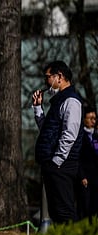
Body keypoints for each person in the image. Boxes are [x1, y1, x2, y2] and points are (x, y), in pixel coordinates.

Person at [32, 60, 83, 224]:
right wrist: (38, 108)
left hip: (62, 164)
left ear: (59, 76)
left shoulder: (71, 101)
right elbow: (48, 132)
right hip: (54, 163)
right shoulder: (58, 101)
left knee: (64, 211)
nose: (46, 81)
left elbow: (69, 135)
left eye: (48, 77)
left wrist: (57, 161)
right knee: (55, 211)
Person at [77, 104, 98, 222]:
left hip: (95, 178)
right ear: (84, 119)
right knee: (85, 206)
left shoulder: (95, 136)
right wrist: (82, 175)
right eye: (90, 118)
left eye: (94, 118)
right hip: (85, 178)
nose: (93, 121)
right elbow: (77, 158)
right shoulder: (80, 136)